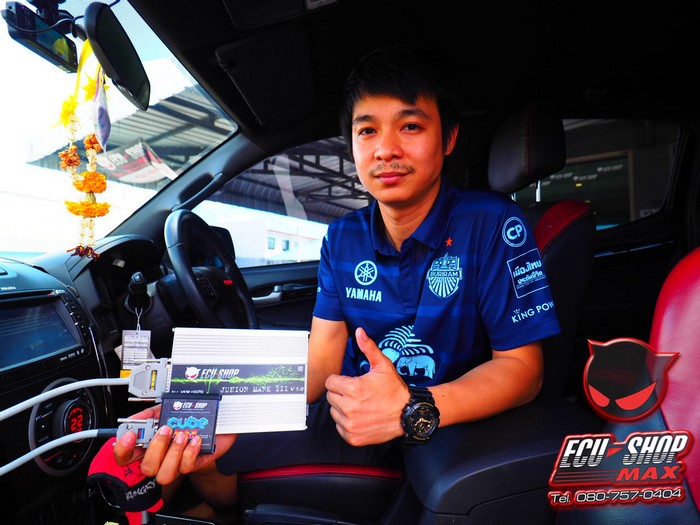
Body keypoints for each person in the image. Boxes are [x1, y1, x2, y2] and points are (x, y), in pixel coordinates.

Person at [113, 44, 560, 520]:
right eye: (367, 130)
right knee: (206, 446)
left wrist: (411, 408)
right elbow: (323, 358)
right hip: (349, 409)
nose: (385, 150)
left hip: (447, 426)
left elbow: (523, 370)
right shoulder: (343, 238)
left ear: (448, 137)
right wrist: (230, 407)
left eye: (410, 126)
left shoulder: (493, 224)